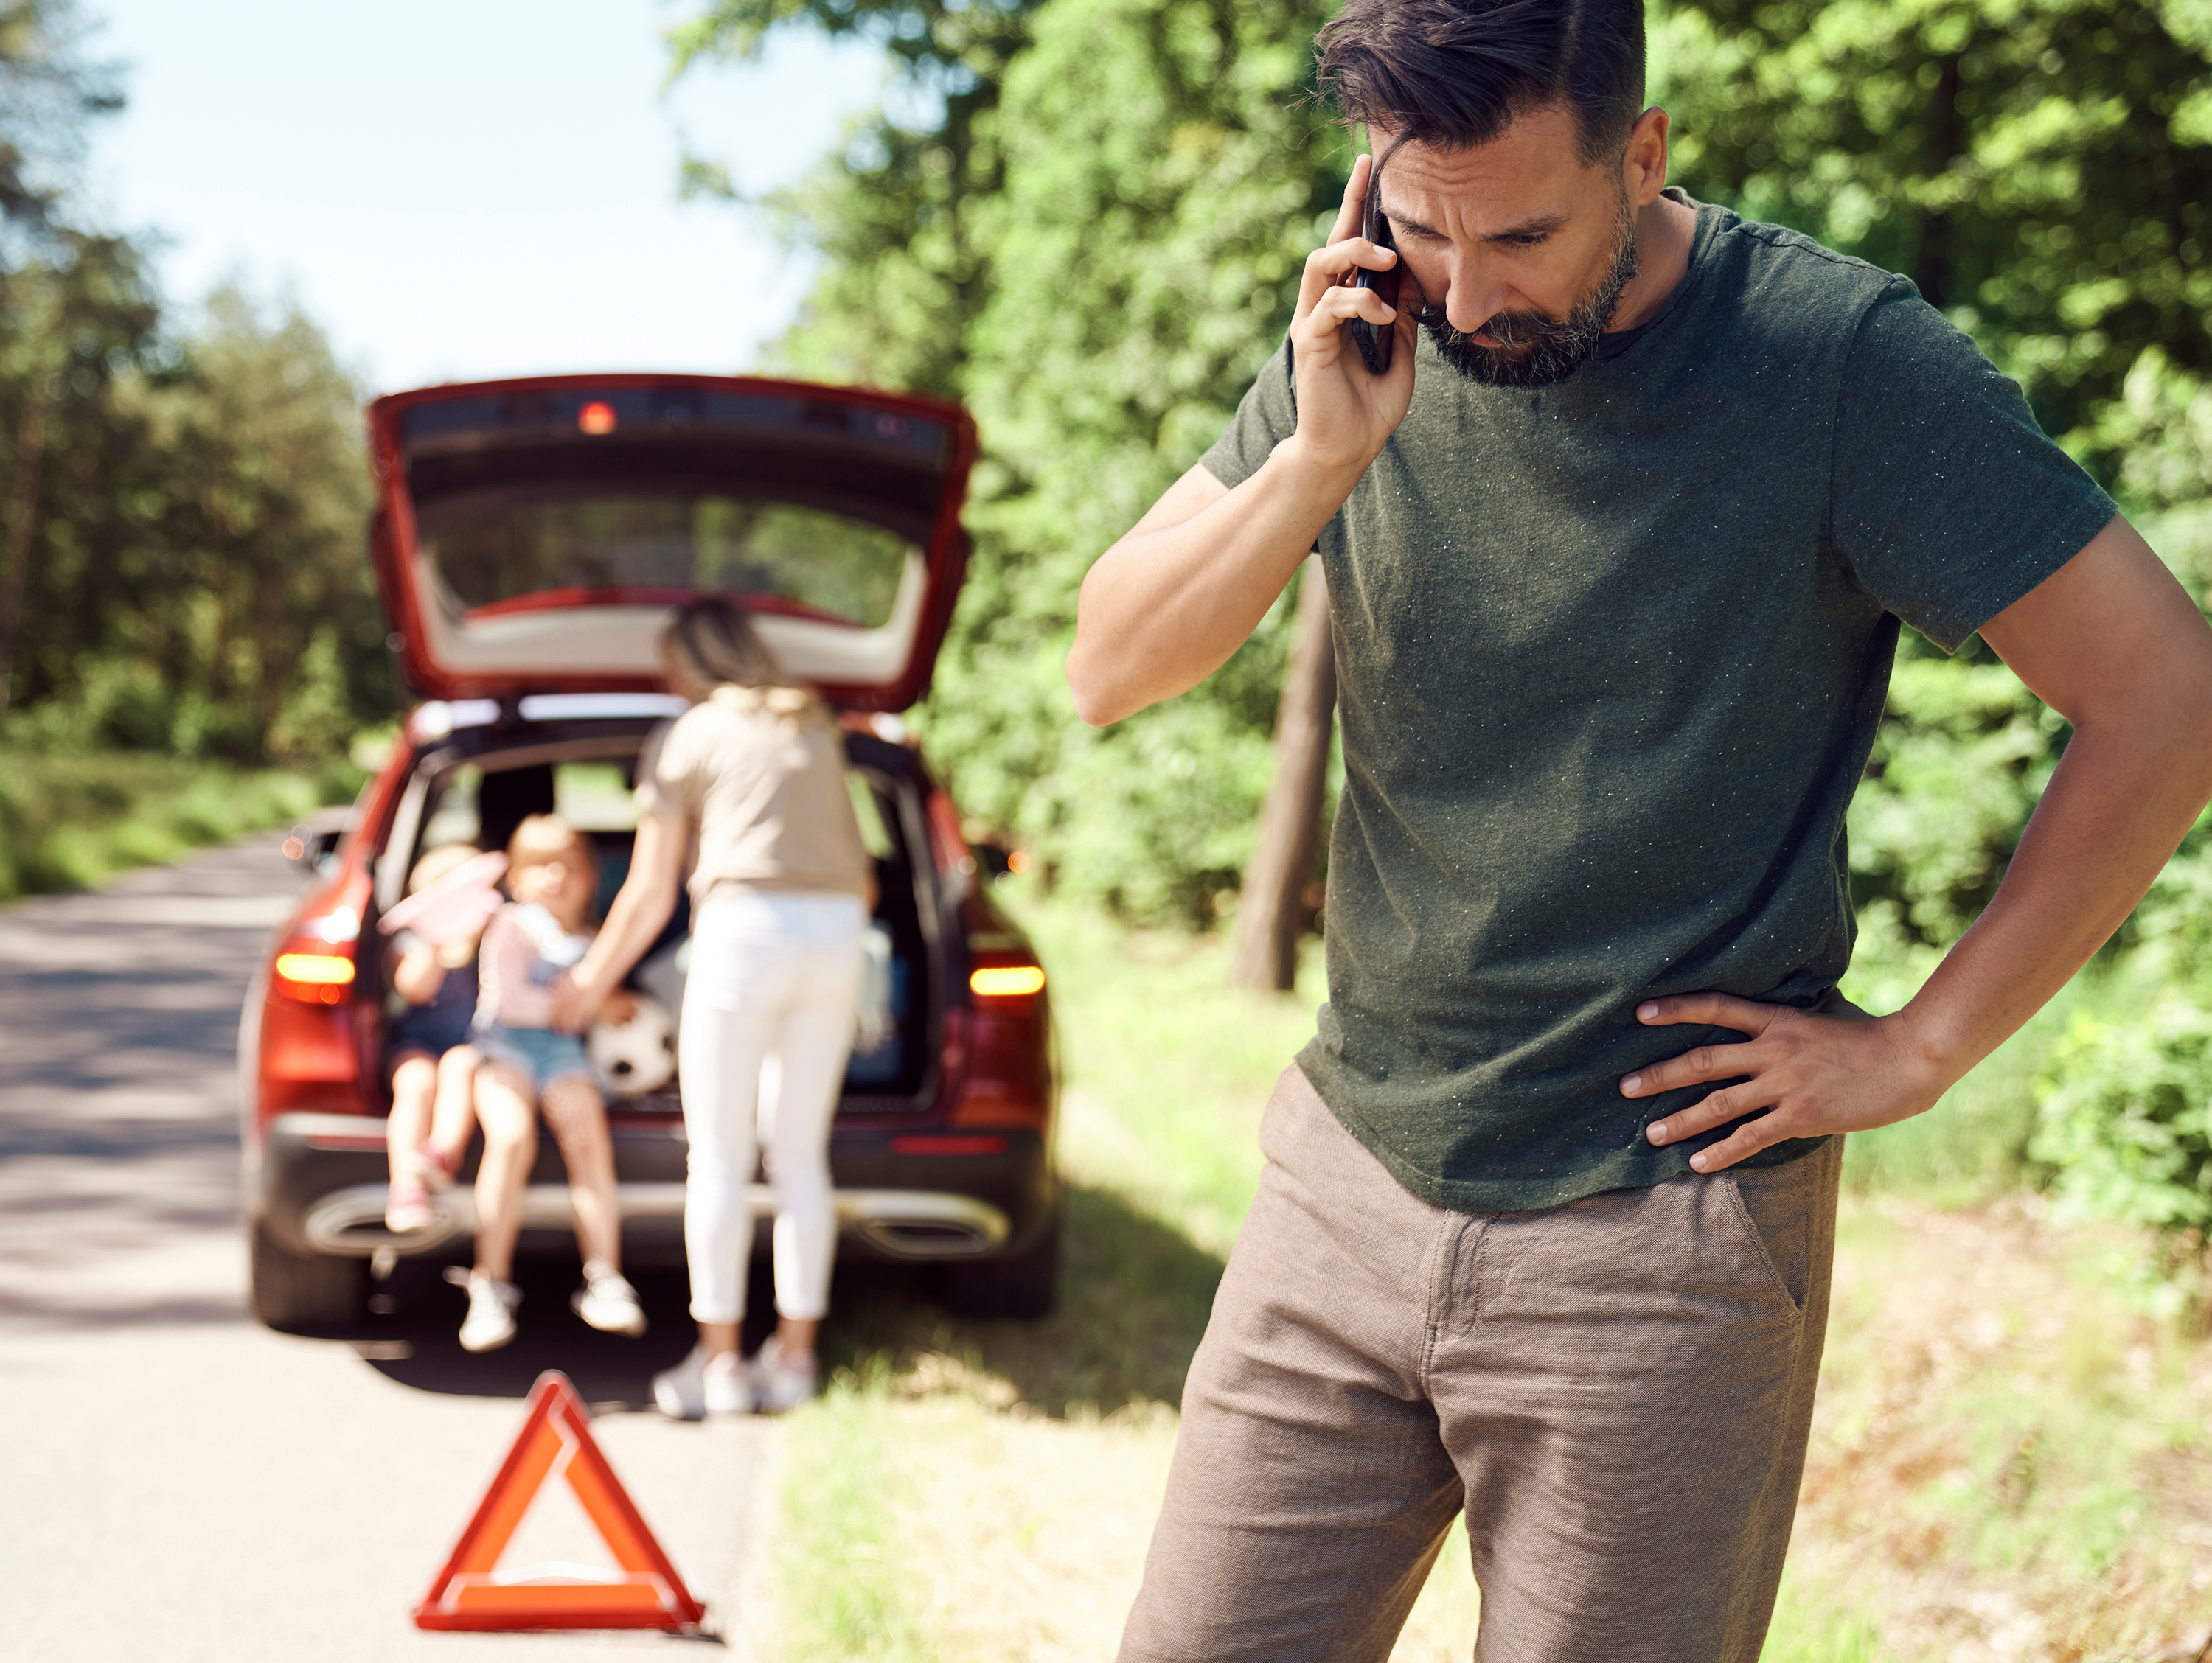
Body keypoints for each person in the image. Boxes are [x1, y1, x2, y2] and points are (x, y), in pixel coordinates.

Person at [1066, 2, 2212, 1658]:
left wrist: (1923, 1050)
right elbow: (1112, 665)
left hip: (1661, 1231)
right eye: (1418, 225)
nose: (1467, 292)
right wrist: (1318, 463)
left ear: (1646, 152)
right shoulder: (1367, 340)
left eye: (1523, 232)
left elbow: (2166, 696)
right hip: (1344, 1182)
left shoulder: (1840, 362)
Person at [557, 599, 872, 1419]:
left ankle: (722, 1366)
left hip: (746, 931)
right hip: (838, 935)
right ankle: (794, 1363)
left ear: (692, 662)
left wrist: (590, 980)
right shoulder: (814, 725)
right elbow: (866, 876)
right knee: (800, 1155)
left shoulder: (691, 733)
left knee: (722, 1157)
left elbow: (653, 888)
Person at [451, 814, 648, 1353]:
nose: (554, 877)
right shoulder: (511, 926)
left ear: (591, 879)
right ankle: (490, 1283)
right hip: (502, 1050)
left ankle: (604, 1279)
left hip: (564, 1056)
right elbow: (507, 1000)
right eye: (540, 867)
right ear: (516, 879)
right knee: (510, 1137)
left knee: (587, 1137)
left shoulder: (593, 939)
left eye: (568, 866)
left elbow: (611, 1004)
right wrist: (580, 1007)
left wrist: (605, 1006)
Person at [382, 844, 487, 1233]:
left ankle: (441, 1155)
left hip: (471, 1042)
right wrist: (437, 941)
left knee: (461, 1067)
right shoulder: (412, 941)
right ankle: (406, 1188)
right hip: (418, 1042)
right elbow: (414, 990)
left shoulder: (493, 934)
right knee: (415, 1083)